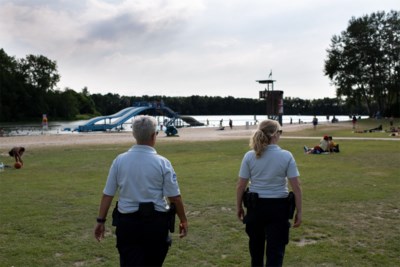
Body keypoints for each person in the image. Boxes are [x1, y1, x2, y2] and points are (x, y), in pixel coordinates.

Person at [94, 115, 188, 267]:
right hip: (156, 226)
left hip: (127, 226)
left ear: (134, 134)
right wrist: (183, 220)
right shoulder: (163, 163)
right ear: (153, 135)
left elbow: (108, 194)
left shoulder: (120, 160)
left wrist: (100, 221)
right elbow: (175, 198)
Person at [236, 119, 302, 267]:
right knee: (275, 254)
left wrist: (239, 206)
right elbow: (296, 186)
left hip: (255, 208)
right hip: (279, 209)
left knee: (256, 253)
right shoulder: (286, 156)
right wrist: (299, 211)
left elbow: (241, 185)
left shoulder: (249, 156)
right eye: (280, 132)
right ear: (275, 134)